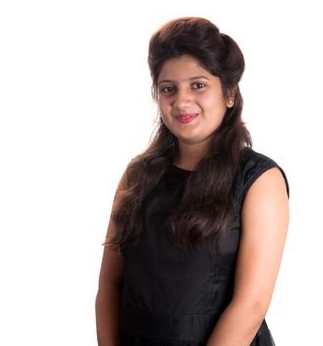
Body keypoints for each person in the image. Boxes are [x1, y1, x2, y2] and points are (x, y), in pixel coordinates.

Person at [95, 17, 290, 346]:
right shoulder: (138, 174)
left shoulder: (259, 180)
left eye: (198, 85)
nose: (181, 101)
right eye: (168, 88)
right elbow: (110, 286)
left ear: (228, 94)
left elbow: (250, 306)